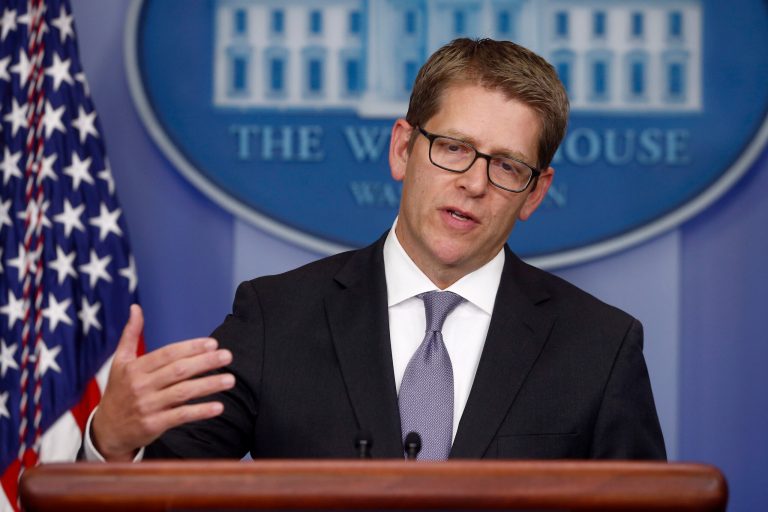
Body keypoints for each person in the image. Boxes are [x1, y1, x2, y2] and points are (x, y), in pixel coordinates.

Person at [85, 38, 666, 462]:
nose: (474, 181)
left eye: (507, 165)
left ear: (535, 193)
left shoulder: (600, 348)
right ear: (402, 149)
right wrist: (110, 441)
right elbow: (165, 492)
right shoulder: (274, 319)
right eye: (453, 147)